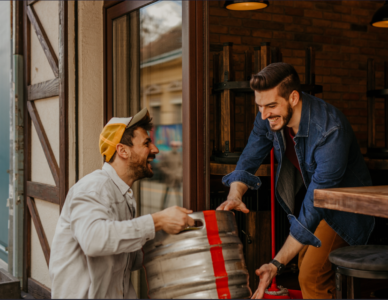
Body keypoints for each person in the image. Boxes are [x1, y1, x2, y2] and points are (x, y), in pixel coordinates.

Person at [217, 63, 375, 299]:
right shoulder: (268, 115)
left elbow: (315, 205)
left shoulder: (330, 130)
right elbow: (250, 156)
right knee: (306, 265)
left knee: (311, 274)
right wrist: (235, 194)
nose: (264, 115)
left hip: (346, 208)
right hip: (317, 199)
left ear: (293, 97)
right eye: (259, 106)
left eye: (270, 106)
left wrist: (275, 264)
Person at [49, 108, 194, 299]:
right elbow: (93, 240)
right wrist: (157, 221)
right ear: (123, 151)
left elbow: (125, 257)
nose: (155, 149)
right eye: (146, 143)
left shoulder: (121, 193)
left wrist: (173, 244)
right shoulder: (93, 187)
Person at [158, 141, 183, 209]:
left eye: (176, 146)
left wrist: (178, 173)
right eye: (173, 146)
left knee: (178, 195)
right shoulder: (167, 155)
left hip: (177, 179)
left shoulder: (179, 155)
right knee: (166, 194)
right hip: (168, 179)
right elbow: (161, 166)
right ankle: (162, 207)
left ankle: (180, 208)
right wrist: (169, 173)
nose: (175, 148)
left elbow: (181, 166)